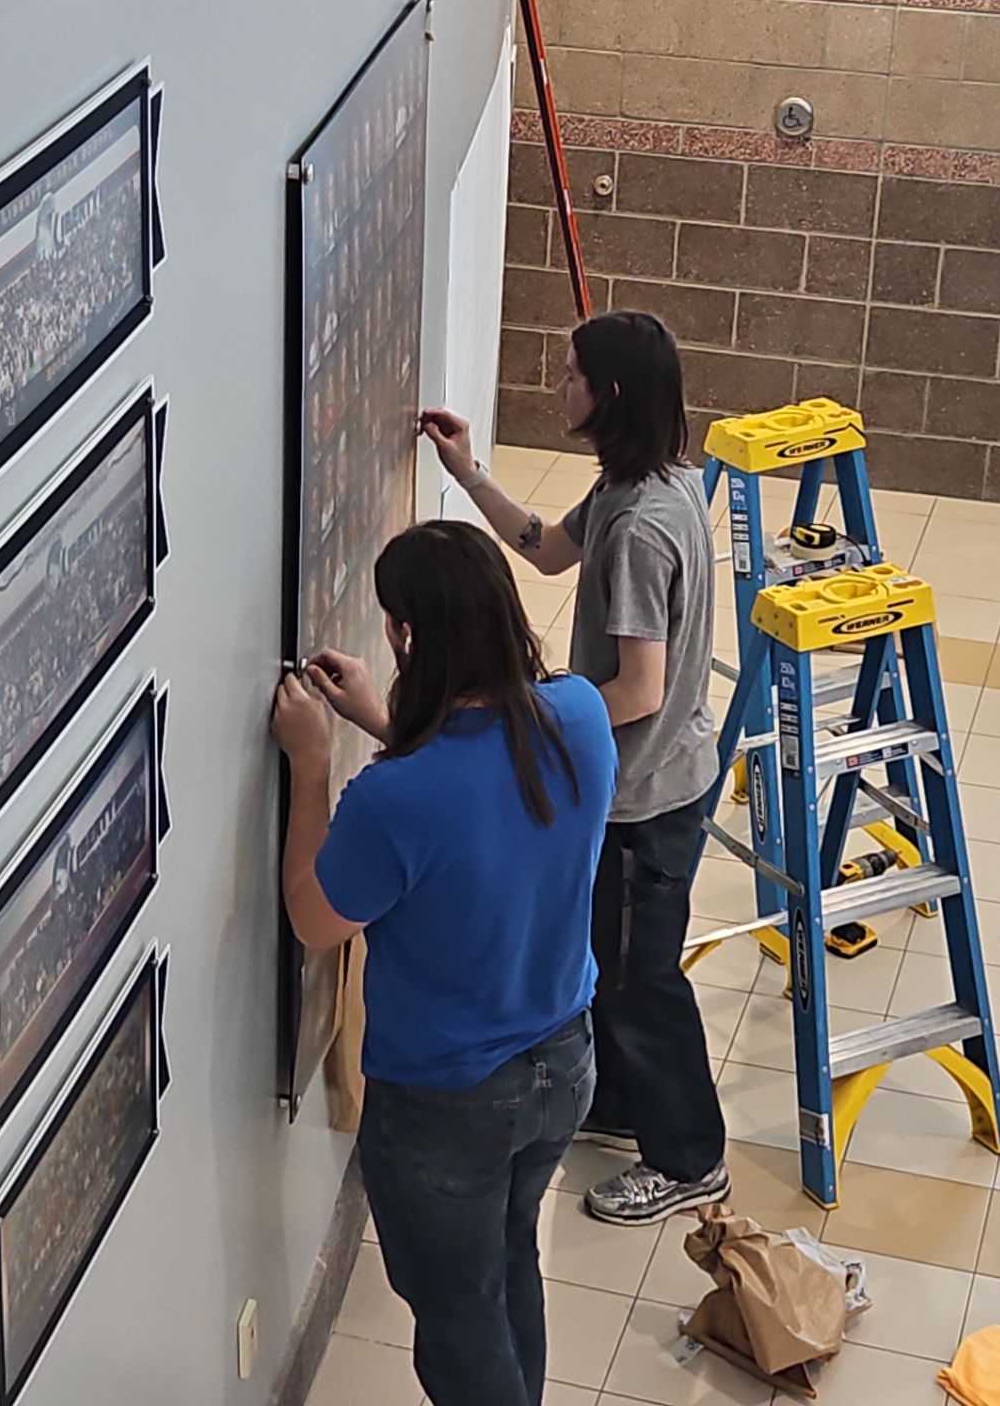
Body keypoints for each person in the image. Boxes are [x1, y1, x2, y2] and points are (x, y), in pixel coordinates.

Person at [269, 520, 617, 1406]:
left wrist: (314, 765)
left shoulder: (392, 799)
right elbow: (489, 806)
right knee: (506, 1263)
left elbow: (315, 918)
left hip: (447, 1103)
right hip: (564, 1066)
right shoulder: (578, 714)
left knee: (457, 1320)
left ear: (407, 633)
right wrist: (382, 721)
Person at [424, 309, 729, 1227]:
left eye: (569, 377)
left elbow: (637, 688)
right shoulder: (642, 484)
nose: (558, 387)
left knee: (642, 979)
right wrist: (468, 472)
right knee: (614, 959)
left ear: (612, 396)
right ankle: (629, 1108)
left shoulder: (641, 528)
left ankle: (689, 1162)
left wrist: (533, 711)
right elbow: (549, 552)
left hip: (647, 796)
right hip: (652, 779)